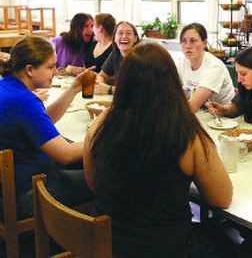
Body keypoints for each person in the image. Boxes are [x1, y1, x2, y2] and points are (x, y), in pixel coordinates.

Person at [84, 42, 233, 257]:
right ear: (172, 82)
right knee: (228, 245)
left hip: (107, 243)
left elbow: (93, 183)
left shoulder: (101, 124)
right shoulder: (186, 133)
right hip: (167, 248)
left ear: (123, 81)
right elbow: (222, 198)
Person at [0, 36, 92, 219]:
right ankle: (87, 237)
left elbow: (41, 122)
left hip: (10, 186)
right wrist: (103, 137)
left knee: (90, 162)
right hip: (26, 193)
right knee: (104, 177)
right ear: (30, 70)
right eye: (50, 67)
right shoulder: (23, 101)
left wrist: (73, 89)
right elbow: (65, 154)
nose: (55, 72)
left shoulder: (8, 88)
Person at [177, 23, 235, 112]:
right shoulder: (182, 62)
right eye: (184, 41)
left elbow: (192, 107)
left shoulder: (215, 66)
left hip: (225, 121)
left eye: (193, 41)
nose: (187, 46)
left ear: (204, 43)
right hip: (200, 116)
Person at [96, 21, 139, 95]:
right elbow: (101, 75)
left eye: (128, 33)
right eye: (120, 33)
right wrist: (101, 85)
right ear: (115, 38)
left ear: (135, 38)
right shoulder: (115, 54)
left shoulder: (142, 57)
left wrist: (109, 90)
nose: (124, 36)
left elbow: (139, 90)